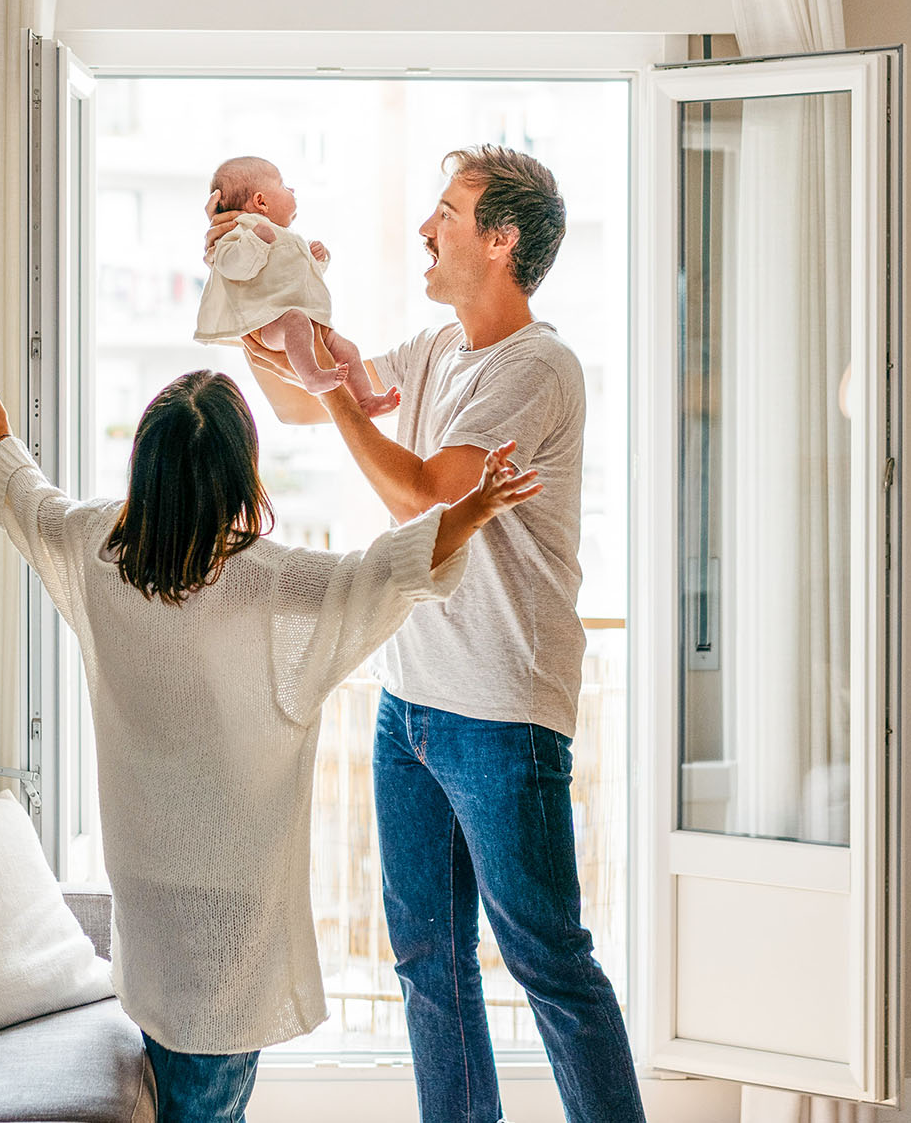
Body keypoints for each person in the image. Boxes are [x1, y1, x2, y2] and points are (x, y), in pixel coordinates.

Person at [0, 367, 542, 1123]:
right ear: (240, 476)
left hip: (145, 896)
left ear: (145, 467)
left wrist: (0, 436)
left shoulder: (98, 550)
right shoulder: (271, 582)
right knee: (205, 1104)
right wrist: (473, 507)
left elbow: (34, 505)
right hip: (231, 916)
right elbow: (385, 571)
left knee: (183, 1092)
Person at [206, 144, 647, 1123]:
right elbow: (302, 394)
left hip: (501, 711)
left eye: (447, 212)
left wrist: (330, 382)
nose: (425, 228)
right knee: (426, 961)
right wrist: (248, 286)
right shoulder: (440, 348)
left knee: (547, 959)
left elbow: (424, 495)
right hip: (408, 701)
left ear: (500, 241)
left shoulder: (538, 366)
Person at [196, 155, 396, 416]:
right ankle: (312, 376)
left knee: (348, 350)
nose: (291, 190)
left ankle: (366, 400)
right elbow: (233, 267)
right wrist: (255, 242)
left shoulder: (284, 236)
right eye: (283, 185)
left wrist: (317, 260)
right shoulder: (241, 231)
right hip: (270, 323)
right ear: (261, 202)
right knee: (296, 321)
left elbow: (298, 279)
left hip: (307, 322)